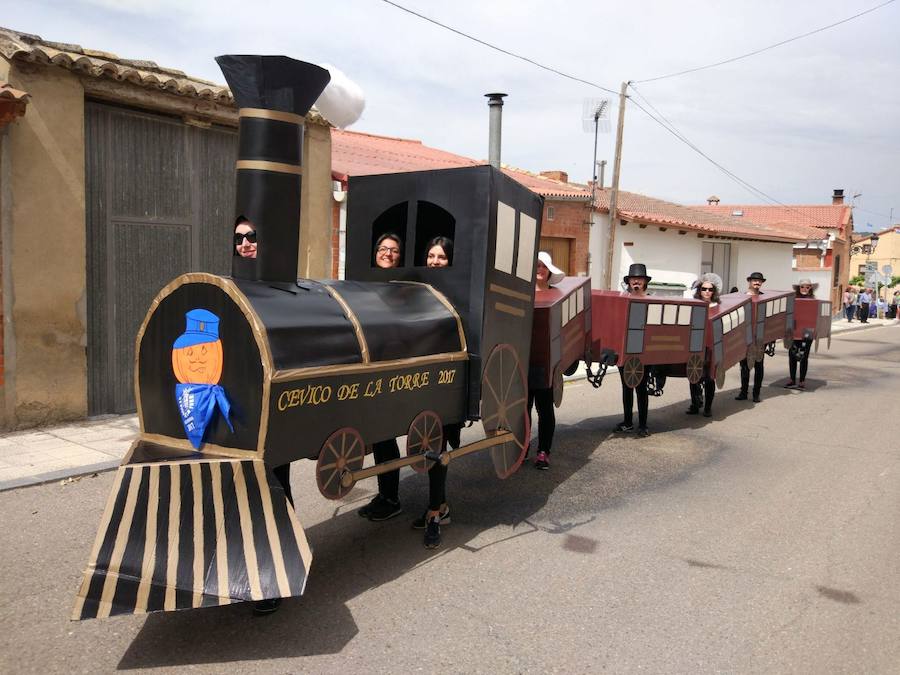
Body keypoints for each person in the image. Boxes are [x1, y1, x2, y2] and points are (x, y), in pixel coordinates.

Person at [411, 236, 456, 548]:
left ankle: (436, 513)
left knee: (436, 447)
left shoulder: (454, 290)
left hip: (444, 377)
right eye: (431, 255)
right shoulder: (416, 287)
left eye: (441, 257)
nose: (435, 261)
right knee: (425, 443)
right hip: (417, 374)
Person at [359, 233, 406, 522]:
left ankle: (391, 497)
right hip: (367, 365)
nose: (387, 253)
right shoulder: (363, 284)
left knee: (384, 434)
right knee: (376, 435)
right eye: (383, 249)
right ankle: (384, 493)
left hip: (389, 367)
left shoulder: (401, 289)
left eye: (393, 250)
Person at [528, 251, 565, 469]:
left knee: (544, 408)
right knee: (522, 407)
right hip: (524, 357)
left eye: (543, 266)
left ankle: (543, 450)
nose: (539, 269)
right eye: (536, 265)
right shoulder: (522, 294)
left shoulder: (557, 294)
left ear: (549, 271)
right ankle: (521, 447)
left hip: (546, 361)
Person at [615, 263, 652, 437]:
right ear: (628, 281)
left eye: (640, 278)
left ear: (645, 281)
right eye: (633, 278)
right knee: (626, 387)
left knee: (641, 388)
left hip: (644, 352)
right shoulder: (623, 300)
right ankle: (628, 421)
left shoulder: (651, 300)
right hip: (626, 351)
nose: (636, 281)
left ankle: (643, 424)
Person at [687, 273, 721, 417]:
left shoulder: (718, 307)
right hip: (695, 344)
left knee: (709, 378)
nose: (707, 292)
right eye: (704, 289)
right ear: (699, 290)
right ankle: (695, 404)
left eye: (710, 289)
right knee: (693, 375)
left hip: (711, 347)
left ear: (714, 292)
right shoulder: (694, 305)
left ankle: (708, 407)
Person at [736, 272, 766, 403]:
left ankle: (756, 393)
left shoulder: (765, 298)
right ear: (749, 281)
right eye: (754, 280)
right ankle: (743, 392)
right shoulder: (742, 297)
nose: (757, 282)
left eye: (759, 281)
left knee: (759, 365)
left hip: (759, 337)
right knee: (744, 366)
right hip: (745, 336)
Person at [785, 279, 817, 390]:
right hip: (794, 331)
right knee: (792, 355)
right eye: (802, 287)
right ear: (799, 288)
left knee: (804, 356)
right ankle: (792, 379)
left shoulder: (813, 301)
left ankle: (802, 380)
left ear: (810, 288)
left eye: (807, 287)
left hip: (807, 332)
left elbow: (815, 318)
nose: (804, 289)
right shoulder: (793, 300)